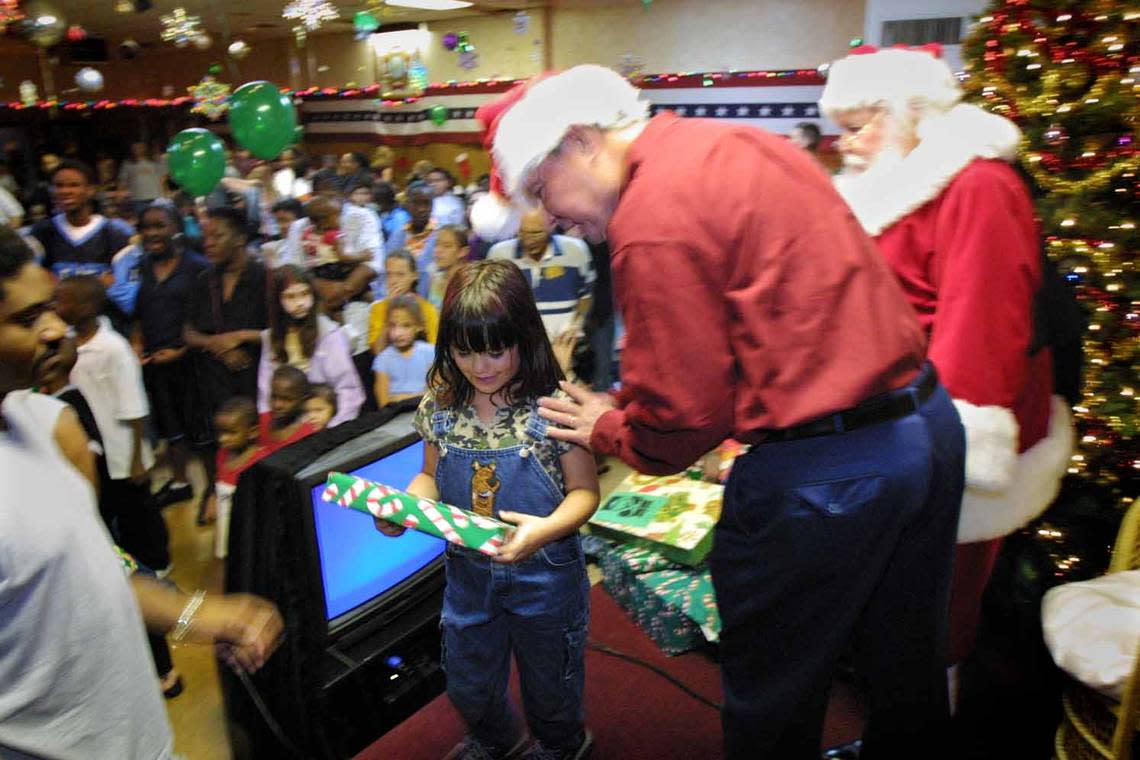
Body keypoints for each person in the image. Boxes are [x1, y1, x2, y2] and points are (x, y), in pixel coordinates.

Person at [492, 65, 966, 758]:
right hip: (921, 426)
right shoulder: (738, 142)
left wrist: (609, 426)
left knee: (773, 687)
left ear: (581, 140)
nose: (550, 217)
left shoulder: (650, 218)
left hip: (826, 472)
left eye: (542, 190)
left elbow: (680, 425)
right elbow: (762, 326)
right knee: (903, 656)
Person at [819, 45, 1073, 672]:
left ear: (908, 115)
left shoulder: (979, 184)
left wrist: (959, 448)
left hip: (946, 432)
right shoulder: (886, 190)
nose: (844, 146)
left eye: (856, 128)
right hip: (893, 425)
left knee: (935, 616)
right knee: (897, 604)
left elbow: (984, 323)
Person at [0, 227, 283, 759]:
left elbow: (95, 567)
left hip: (141, 740)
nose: (55, 330)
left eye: (52, 310)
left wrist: (196, 613)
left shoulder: (49, 427)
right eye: (27, 318)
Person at [375, 259, 599, 760]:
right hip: (469, 576)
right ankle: (498, 739)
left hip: (547, 576)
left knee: (551, 685)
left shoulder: (553, 405)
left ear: (524, 336)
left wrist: (544, 530)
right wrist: (407, 508)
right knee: (468, 682)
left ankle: (561, 745)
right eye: (465, 352)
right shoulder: (440, 402)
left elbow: (585, 493)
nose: (481, 367)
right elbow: (430, 475)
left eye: (498, 350)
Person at [55, 275, 172, 575]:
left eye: (64, 300)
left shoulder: (113, 349)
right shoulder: (67, 345)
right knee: (110, 512)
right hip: (96, 450)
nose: (58, 306)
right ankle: (128, 568)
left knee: (140, 514)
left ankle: (159, 566)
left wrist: (135, 460)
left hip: (123, 451)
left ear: (87, 307)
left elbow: (134, 408)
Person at [184, 206, 271, 524]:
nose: (208, 243)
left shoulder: (265, 278)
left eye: (217, 236)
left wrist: (241, 337)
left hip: (253, 377)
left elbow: (279, 331)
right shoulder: (204, 280)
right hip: (212, 377)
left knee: (254, 441)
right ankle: (215, 491)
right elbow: (189, 331)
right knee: (218, 440)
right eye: (205, 237)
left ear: (239, 238)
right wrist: (217, 346)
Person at [133, 203, 211, 510]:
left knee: (199, 429)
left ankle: (211, 490)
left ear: (175, 228)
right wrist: (137, 342)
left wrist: (181, 350)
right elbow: (140, 313)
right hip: (156, 363)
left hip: (192, 364)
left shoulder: (196, 266)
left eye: (159, 226)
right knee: (171, 427)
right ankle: (180, 482)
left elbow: (207, 318)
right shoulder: (144, 266)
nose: (152, 233)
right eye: (146, 227)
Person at [28, 159, 138, 326]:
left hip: (107, 327)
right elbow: (33, 280)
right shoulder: (42, 233)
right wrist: (98, 283)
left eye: (74, 185)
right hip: (59, 328)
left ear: (90, 190)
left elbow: (125, 290)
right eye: (59, 186)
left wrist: (63, 287)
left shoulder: (116, 234)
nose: (65, 191)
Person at [257, 265, 364, 428]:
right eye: (290, 297)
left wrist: (334, 427)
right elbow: (265, 391)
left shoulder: (328, 334)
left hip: (327, 422)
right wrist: (269, 429)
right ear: (277, 301)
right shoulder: (271, 338)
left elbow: (349, 390)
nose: (299, 303)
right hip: (289, 425)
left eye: (305, 294)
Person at [487, 207, 593, 346]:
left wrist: (577, 325)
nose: (529, 240)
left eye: (536, 233)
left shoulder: (576, 250)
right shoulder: (499, 255)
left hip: (564, 348)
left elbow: (586, 296)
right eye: (523, 233)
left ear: (552, 225)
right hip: (519, 349)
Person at [212, 396, 272, 560]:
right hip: (226, 519)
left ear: (252, 431)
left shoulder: (261, 462)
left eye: (231, 433)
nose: (222, 439)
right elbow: (218, 482)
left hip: (250, 528)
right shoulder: (222, 455)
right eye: (220, 432)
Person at [368, 249, 440, 352]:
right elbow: (377, 351)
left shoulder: (427, 309)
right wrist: (389, 310)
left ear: (414, 275)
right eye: (389, 274)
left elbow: (434, 350)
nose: (393, 281)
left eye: (400, 274)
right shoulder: (378, 308)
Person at [372, 293, 434, 407]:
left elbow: (438, 395)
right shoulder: (382, 360)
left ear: (419, 326)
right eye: (393, 325)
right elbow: (384, 404)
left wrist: (402, 398)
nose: (398, 333)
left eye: (406, 326)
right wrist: (422, 395)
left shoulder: (430, 353)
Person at [260, 365, 315, 451]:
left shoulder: (306, 437)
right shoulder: (260, 422)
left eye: (286, 399)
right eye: (273, 396)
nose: (277, 405)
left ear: (303, 400)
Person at [420, 224, 468, 309]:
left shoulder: (469, 285)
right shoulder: (434, 278)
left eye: (447, 246)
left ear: (462, 252)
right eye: (437, 244)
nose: (438, 250)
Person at [119, 141, 166, 218]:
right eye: (136, 147)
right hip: (138, 199)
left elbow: (163, 176)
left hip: (156, 197)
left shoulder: (154, 161)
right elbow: (122, 181)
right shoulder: (128, 164)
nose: (138, 149)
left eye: (141, 147)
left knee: (159, 219)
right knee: (143, 221)